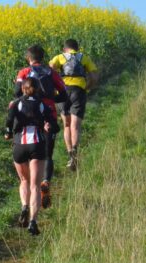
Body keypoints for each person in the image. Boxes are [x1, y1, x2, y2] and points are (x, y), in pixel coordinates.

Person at [15, 44, 67, 209]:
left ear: (28, 58)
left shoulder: (23, 72)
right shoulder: (51, 72)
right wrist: (51, 100)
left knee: (28, 152)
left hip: (28, 118)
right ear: (42, 57)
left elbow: (17, 93)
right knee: (47, 155)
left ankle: (31, 189)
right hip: (49, 116)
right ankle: (44, 182)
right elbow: (64, 93)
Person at [5, 78, 59, 235]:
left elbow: (9, 120)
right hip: (37, 145)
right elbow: (55, 126)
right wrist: (49, 126)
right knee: (35, 185)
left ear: (23, 88)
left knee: (24, 180)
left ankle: (24, 207)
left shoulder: (16, 103)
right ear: (38, 89)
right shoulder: (43, 104)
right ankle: (33, 222)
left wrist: (8, 132)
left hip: (19, 145)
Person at [49, 39, 98, 170]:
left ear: (65, 49)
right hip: (78, 92)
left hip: (63, 92)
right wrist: (87, 88)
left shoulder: (59, 57)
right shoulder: (84, 58)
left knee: (66, 125)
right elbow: (94, 77)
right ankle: (74, 155)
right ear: (77, 48)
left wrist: (54, 88)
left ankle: (70, 152)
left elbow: (49, 71)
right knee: (75, 126)